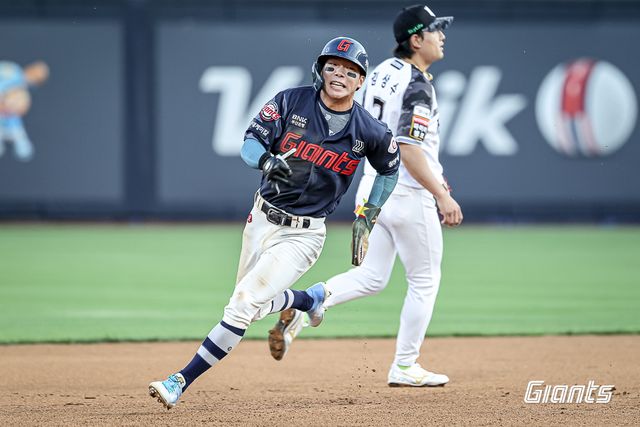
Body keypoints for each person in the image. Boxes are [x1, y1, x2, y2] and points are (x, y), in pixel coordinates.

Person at [148, 36, 400, 409]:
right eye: (332, 66)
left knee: (242, 305)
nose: (339, 75)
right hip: (261, 219)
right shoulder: (290, 101)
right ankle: (309, 299)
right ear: (320, 70)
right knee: (245, 308)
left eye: (350, 72)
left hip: (304, 234)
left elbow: (390, 169)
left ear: (360, 81)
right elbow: (251, 142)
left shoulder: (369, 130)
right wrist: (266, 160)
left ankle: (179, 381)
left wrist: (368, 213)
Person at [267, 5, 463, 388]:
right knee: (425, 280)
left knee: (372, 276)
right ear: (416, 39)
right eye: (435, 30)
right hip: (408, 191)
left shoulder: (382, 72)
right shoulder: (418, 83)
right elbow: (409, 148)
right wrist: (441, 193)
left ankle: (309, 302)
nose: (442, 36)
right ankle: (405, 365)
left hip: (374, 186)